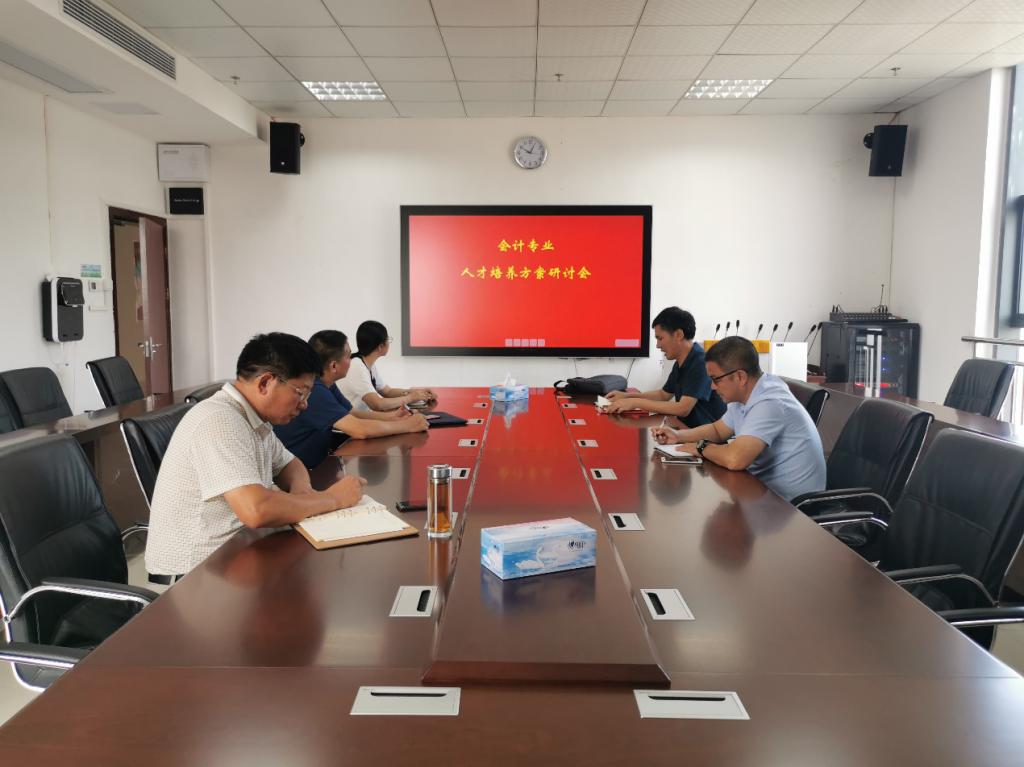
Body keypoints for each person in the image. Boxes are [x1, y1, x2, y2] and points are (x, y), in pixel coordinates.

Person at [145, 332, 366, 581]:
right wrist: (332, 499)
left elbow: (290, 464)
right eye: (301, 393)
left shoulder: (252, 418)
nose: (304, 404)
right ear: (265, 383)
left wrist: (303, 492)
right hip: (194, 575)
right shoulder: (220, 421)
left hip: (236, 555)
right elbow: (256, 509)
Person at [651, 335, 825, 502]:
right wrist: (678, 436)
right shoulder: (744, 395)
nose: (712, 387)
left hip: (791, 507)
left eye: (715, 379)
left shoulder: (770, 402)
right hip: (761, 491)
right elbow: (718, 430)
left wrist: (701, 446)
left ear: (740, 377)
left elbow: (735, 459)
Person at [275, 329, 429, 468]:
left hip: (320, 461)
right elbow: (359, 429)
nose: (351, 360)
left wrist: (393, 417)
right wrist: (407, 425)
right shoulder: (315, 389)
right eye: (348, 356)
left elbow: (352, 413)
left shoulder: (327, 383)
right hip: (303, 471)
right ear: (334, 366)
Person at [603, 307, 725, 428]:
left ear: (678, 334)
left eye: (660, 338)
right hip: (686, 429)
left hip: (705, 435)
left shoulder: (700, 362)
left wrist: (635, 402)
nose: (657, 345)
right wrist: (626, 396)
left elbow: (683, 408)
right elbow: (663, 395)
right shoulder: (681, 361)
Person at [338, 320, 436, 412]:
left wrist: (414, 392)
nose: (389, 343)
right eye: (387, 339)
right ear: (380, 346)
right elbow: (377, 404)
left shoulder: (367, 364)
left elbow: (388, 392)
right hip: (348, 421)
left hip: (360, 418)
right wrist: (411, 397)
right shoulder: (357, 366)